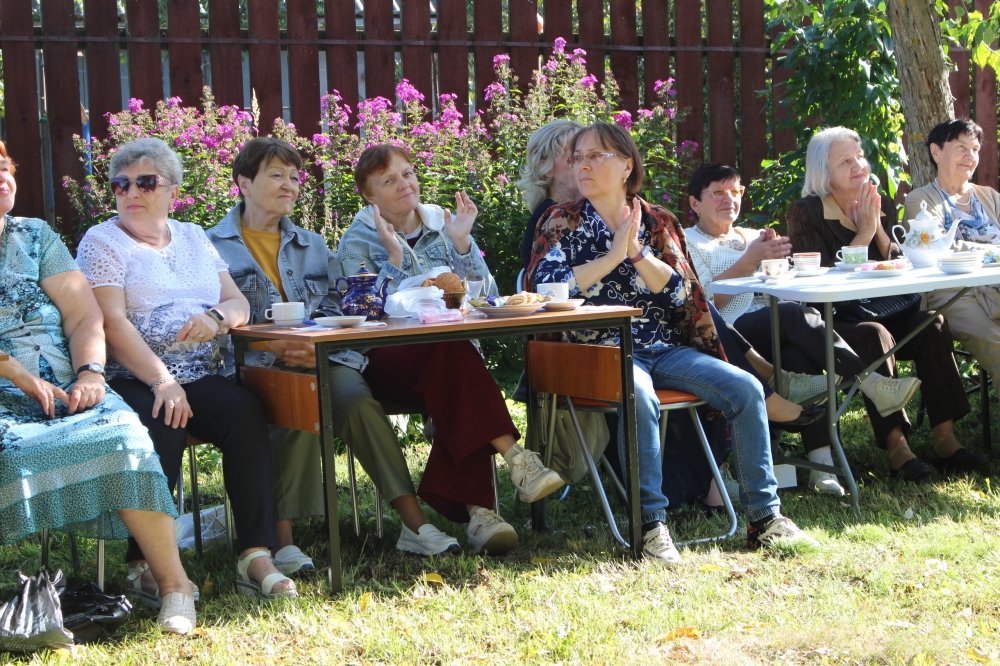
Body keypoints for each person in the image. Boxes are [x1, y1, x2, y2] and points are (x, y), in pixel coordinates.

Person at [528, 122, 819, 564]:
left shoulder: (656, 221)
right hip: (597, 352)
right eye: (578, 157)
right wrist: (611, 257)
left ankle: (765, 518)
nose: (582, 165)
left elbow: (683, 291)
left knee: (745, 388)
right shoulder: (561, 222)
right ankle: (650, 525)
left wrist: (637, 253)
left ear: (626, 166)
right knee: (638, 394)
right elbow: (546, 288)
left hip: (663, 348)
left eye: (595, 156)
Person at [76, 138, 298, 602]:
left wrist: (216, 318)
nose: (131, 192)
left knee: (244, 412)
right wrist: (162, 379)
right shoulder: (102, 241)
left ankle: (255, 554)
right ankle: (143, 564)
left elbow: (237, 302)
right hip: (131, 376)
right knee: (163, 420)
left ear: (172, 191)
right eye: (120, 184)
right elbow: (110, 322)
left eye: (145, 182)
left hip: (199, 372)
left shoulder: (194, 236)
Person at [0, 140, 195, 634]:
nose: (2, 177)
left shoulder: (34, 235)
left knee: (125, 437)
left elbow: (83, 313)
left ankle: (175, 587)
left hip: (67, 383)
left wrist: (90, 371)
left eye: (5, 167)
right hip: (5, 393)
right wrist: (15, 373)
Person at [686, 162, 923, 495]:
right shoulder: (688, 242)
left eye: (735, 191)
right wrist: (750, 261)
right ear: (695, 203)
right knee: (793, 315)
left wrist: (779, 267)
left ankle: (820, 465)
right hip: (730, 333)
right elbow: (702, 304)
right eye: (718, 193)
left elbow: (783, 284)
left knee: (800, 353)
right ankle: (873, 384)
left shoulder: (753, 236)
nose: (729, 199)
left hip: (774, 327)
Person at [787, 126, 986, 478]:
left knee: (933, 323)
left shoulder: (879, 201)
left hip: (885, 307)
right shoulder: (806, 212)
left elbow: (898, 260)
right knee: (873, 334)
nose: (858, 165)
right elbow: (818, 276)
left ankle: (946, 439)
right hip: (837, 319)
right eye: (845, 161)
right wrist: (863, 232)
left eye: (859, 157)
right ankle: (897, 446)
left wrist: (876, 226)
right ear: (823, 171)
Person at [207, 138, 334, 577]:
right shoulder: (210, 246)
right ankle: (283, 539)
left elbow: (334, 306)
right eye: (276, 175)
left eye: (294, 177)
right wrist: (268, 347)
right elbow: (211, 324)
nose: (289, 185)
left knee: (307, 384)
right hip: (241, 368)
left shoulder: (312, 244)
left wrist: (313, 343)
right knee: (295, 391)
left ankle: (284, 536)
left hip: (307, 358)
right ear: (243, 183)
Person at [905, 119, 1000, 410]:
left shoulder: (990, 197)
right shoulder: (920, 200)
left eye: (975, 149)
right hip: (954, 294)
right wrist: (994, 253)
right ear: (936, 151)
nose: (970, 156)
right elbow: (935, 247)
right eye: (961, 147)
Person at [518, 119, 584, 270]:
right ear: (545, 167)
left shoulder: (587, 211)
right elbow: (549, 278)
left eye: (588, 156)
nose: (584, 164)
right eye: (574, 158)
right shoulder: (550, 217)